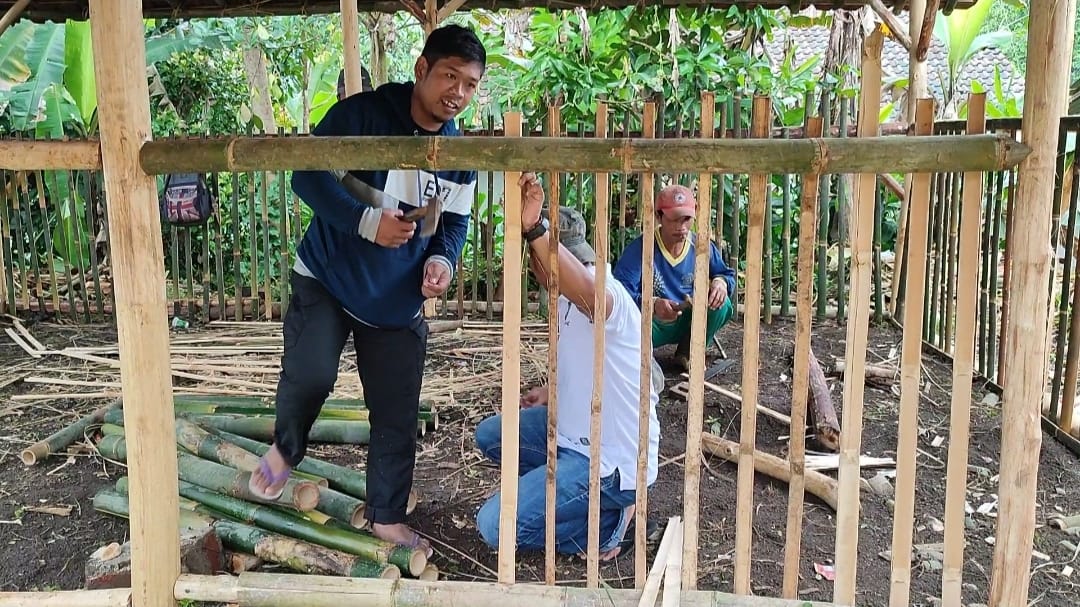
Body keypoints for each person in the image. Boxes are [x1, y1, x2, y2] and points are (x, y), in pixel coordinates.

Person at [247, 24, 487, 555]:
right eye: (450, 76)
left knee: (397, 411)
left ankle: (385, 514)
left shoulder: (459, 153)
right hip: (328, 277)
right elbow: (306, 176)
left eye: (470, 84)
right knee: (310, 374)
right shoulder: (362, 115)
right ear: (422, 69)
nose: (458, 93)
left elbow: (453, 224)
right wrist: (364, 222)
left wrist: (444, 261)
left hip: (398, 299)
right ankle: (287, 450)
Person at [473, 177, 662, 561]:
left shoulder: (606, 295)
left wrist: (535, 230)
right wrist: (552, 391)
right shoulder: (559, 301)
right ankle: (565, 497)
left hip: (608, 462)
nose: (541, 270)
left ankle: (611, 524)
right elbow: (592, 364)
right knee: (491, 435)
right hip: (573, 432)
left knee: (494, 526)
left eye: (548, 258)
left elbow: (587, 291)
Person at [613, 184, 736, 371]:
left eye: (686, 219)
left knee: (723, 304)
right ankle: (639, 359)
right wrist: (652, 304)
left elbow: (726, 274)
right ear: (658, 216)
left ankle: (689, 351)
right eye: (673, 219)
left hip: (690, 320)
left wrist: (721, 283)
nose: (681, 227)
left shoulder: (701, 246)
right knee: (626, 329)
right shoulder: (641, 249)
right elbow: (619, 294)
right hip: (653, 324)